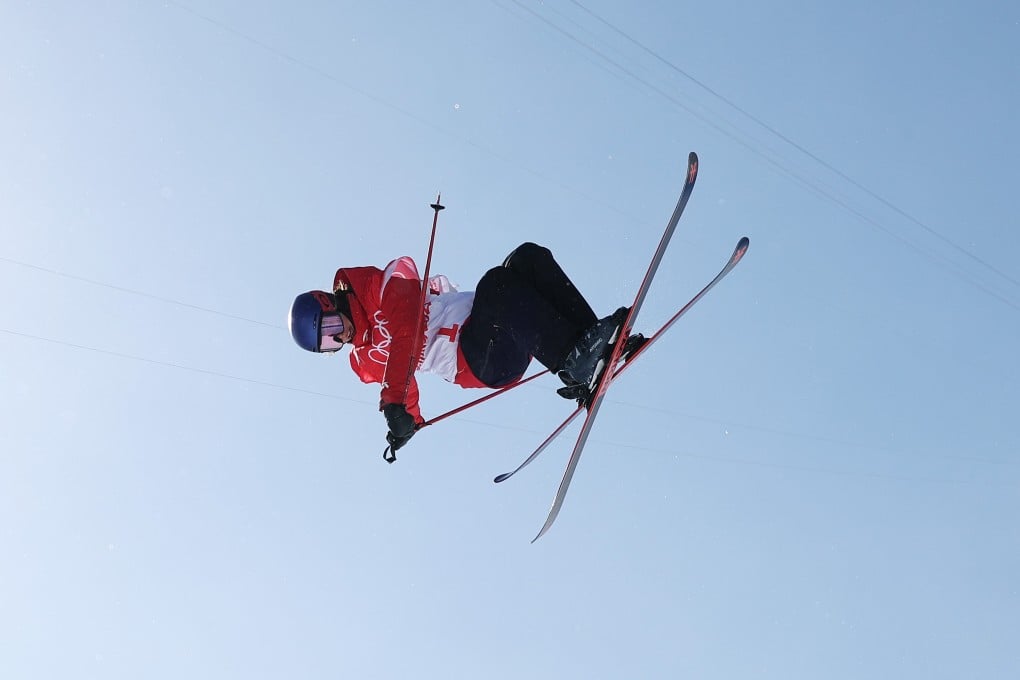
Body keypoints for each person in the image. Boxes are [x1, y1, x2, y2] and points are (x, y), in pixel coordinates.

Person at [288, 242, 643, 454]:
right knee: (497, 285)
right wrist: (406, 421)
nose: (339, 338)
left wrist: (392, 397)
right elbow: (403, 381)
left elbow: (406, 331)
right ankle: (578, 364)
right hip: (478, 359)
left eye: (332, 327)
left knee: (525, 259)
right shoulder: (365, 363)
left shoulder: (379, 286)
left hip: (494, 324)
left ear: (331, 302)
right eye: (329, 345)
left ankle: (596, 347)